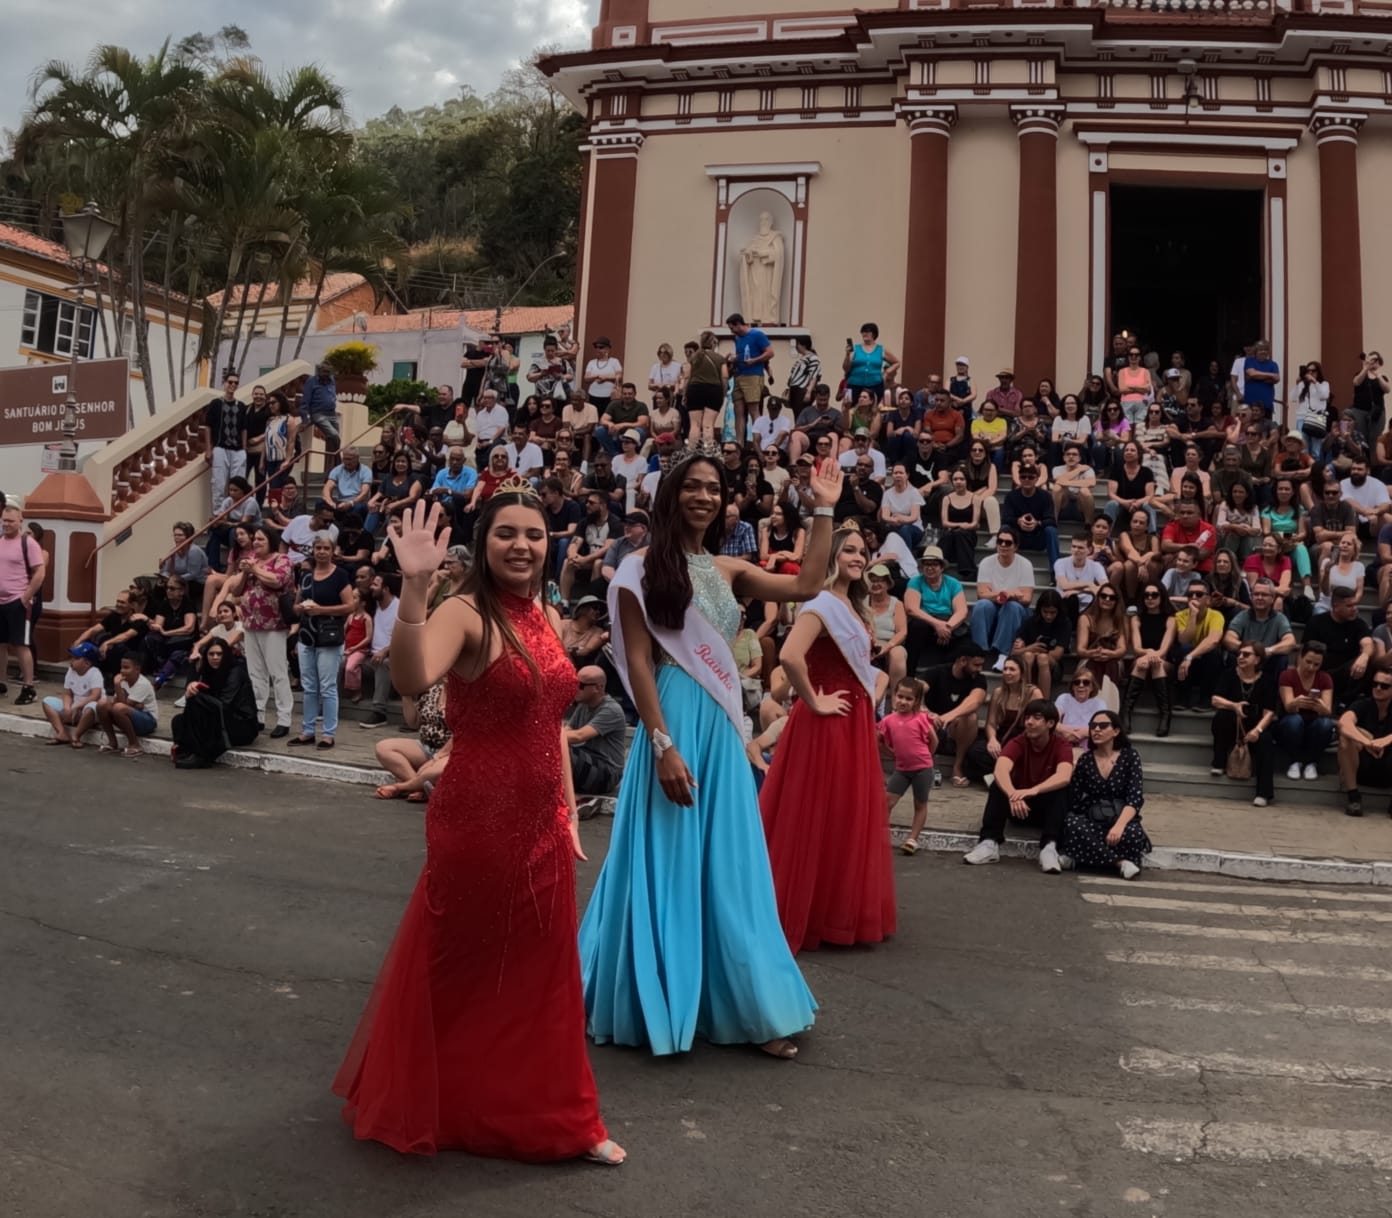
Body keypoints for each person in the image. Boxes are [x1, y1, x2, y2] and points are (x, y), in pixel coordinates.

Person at [333, 487, 622, 1165]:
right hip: (478, 818)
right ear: (484, 542)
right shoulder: (463, 611)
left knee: (541, 973)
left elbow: (549, 725)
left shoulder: (547, 612)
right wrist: (414, 587)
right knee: (464, 964)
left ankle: (559, 1116)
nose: (522, 545)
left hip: (543, 819)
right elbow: (412, 677)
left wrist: (568, 811)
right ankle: (440, 1098)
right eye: (506, 534)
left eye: (534, 534)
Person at [581, 454, 840, 1058]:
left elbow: (806, 586)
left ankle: (748, 1006)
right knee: (670, 858)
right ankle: (661, 998)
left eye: (713, 489)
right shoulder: (640, 567)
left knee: (731, 862)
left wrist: (824, 510)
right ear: (672, 494)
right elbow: (638, 662)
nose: (703, 497)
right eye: (692, 487)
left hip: (721, 725)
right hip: (673, 720)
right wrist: (661, 744)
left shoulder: (729, 568)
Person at [760, 528, 896, 953]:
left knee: (843, 812)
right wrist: (813, 700)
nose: (858, 557)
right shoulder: (820, 604)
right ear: (832, 556)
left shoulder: (852, 607)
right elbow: (789, 656)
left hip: (852, 719)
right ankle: (806, 911)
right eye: (849, 550)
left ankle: (835, 908)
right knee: (817, 812)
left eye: (863, 551)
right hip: (828, 722)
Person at [963, 699, 1075, 872]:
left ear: (1050, 723)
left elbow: (1064, 776)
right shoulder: (1018, 742)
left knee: (1061, 789)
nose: (1029, 722)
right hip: (1017, 807)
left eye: (1036, 718)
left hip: (1046, 810)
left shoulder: (1062, 746)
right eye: (1027, 717)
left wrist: (1033, 790)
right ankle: (989, 843)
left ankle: (1049, 847)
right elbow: (1000, 769)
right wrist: (1012, 794)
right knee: (997, 785)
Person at [1057, 710, 1150, 878]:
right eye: (1093, 726)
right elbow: (1075, 797)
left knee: (1133, 834)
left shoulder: (1130, 756)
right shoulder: (1086, 760)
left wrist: (1119, 826)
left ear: (1116, 731)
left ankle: (1082, 858)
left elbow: (1135, 798)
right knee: (1072, 824)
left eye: (1103, 726)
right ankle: (1119, 863)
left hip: (1120, 814)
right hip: (1093, 815)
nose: (1096, 730)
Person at [225, 525, 293, 738]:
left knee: (277, 672)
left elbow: (278, 581)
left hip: (273, 624)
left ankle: (284, 718)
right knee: (256, 673)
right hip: (250, 623)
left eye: (261, 539)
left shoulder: (282, 560)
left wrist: (254, 570)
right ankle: (258, 715)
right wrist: (245, 573)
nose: (256, 543)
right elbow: (236, 591)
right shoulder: (250, 561)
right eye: (254, 539)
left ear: (271, 541)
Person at [288, 534, 353, 748]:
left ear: (332, 551)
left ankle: (328, 733)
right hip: (307, 634)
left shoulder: (340, 575)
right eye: (318, 548)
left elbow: (349, 606)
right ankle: (307, 730)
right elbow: (296, 603)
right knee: (309, 686)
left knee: (327, 686)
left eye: (326, 548)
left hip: (329, 635)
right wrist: (300, 608)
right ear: (313, 550)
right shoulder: (306, 576)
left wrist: (321, 610)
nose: (322, 552)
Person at [167, 639, 258, 768]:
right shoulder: (208, 670)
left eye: (219, 654)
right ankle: (186, 749)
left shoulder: (235, 672)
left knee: (197, 700)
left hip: (241, 724)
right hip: (220, 716)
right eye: (211, 654)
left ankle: (201, 755)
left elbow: (224, 704)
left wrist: (196, 694)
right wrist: (192, 684)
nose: (215, 657)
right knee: (179, 720)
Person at [1211, 640, 1280, 807]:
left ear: (1257, 659)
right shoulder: (1229, 674)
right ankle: (1219, 762)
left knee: (1266, 740)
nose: (1241, 657)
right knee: (1221, 716)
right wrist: (1234, 706)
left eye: (1246, 654)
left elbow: (1269, 712)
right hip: (1233, 725)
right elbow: (1215, 700)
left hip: (1256, 725)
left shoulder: (1268, 680)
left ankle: (1263, 793)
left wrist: (1257, 730)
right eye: (1239, 654)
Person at [878, 677, 937, 856]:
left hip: (922, 769)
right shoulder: (888, 720)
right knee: (887, 801)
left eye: (909, 698)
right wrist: (892, 753)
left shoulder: (921, 719)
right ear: (894, 696)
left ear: (916, 701)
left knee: (920, 803)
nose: (903, 701)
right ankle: (880, 834)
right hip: (902, 769)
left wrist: (927, 757)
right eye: (900, 696)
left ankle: (913, 839)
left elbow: (934, 740)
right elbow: (878, 740)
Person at [923, 645, 989, 787]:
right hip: (931, 726)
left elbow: (975, 700)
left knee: (971, 717)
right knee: (920, 716)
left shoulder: (979, 679)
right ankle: (925, 767)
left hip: (956, 730)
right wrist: (927, 713)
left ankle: (957, 767)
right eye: (976, 665)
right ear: (963, 660)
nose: (980, 669)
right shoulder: (936, 672)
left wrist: (948, 717)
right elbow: (916, 690)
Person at [0, 502, 45, 705]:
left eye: (10, 521)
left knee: (20, 644)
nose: (6, 524)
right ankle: (1, 682)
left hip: (17, 601)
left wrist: (25, 598)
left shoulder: (28, 543)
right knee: (0, 644)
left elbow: (39, 572)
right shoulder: (0, 542)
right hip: (1, 602)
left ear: (20, 521)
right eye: (4, 521)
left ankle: (29, 687)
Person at [970, 528, 1034, 668]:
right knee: (981, 605)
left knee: (1011, 607)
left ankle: (1004, 655)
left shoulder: (1025, 564)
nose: (1003, 545)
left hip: (1017, 609)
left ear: (1015, 547)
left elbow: (1027, 598)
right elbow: (981, 594)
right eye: (1000, 541)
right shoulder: (986, 562)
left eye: (1008, 542)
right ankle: (978, 652)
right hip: (993, 605)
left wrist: (1007, 597)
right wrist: (1006, 593)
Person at [565, 665, 628, 803]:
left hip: (607, 773)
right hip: (590, 762)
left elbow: (579, 736)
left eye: (580, 685)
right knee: (558, 749)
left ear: (598, 688)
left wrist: (548, 735)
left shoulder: (611, 710)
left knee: (563, 751)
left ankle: (568, 796)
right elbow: (568, 731)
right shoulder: (584, 705)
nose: (575, 688)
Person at [1277, 640, 1336, 782]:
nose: (1311, 667)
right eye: (1308, 662)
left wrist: (1320, 706)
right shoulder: (1287, 675)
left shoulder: (1325, 678)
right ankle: (1295, 760)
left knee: (1326, 724)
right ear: (1300, 657)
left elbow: (1327, 711)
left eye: (1316, 664)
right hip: (1292, 721)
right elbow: (1288, 706)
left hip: (1314, 722)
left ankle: (1311, 762)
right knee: (1294, 721)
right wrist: (1296, 702)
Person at [903, 546, 967, 674]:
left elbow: (962, 611)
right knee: (917, 626)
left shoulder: (953, 583)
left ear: (942, 567)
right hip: (925, 621)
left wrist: (947, 627)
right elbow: (911, 608)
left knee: (966, 639)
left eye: (934, 564)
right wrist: (937, 624)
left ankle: (951, 675)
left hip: (948, 621)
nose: (929, 568)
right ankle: (909, 673)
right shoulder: (915, 582)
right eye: (926, 564)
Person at [1337, 671, 1392, 816]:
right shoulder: (1362, 704)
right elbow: (1343, 722)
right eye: (1375, 684)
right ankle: (1353, 797)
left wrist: (1386, 740)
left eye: (1384, 686)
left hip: (1388, 767)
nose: (1378, 688)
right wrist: (1366, 741)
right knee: (1346, 737)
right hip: (1361, 767)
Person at [1172, 579, 1225, 710]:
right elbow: (1184, 640)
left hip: (1207, 666)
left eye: (1199, 594)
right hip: (1186, 667)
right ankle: (1183, 699)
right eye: (1190, 594)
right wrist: (1193, 616)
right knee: (1185, 648)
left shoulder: (1216, 615)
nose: (1194, 597)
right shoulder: (1180, 615)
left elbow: (1213, 640)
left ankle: (1206, 699)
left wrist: (1190, 657)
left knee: (1213, 652)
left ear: (1208, 599)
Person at [40, 642, 105, 746]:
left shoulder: (95, 673)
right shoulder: (71, 671)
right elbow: (67, 694)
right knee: (47, 701)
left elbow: (95, 696)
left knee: (92, 707)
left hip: (87, 710)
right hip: (74, 709)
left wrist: (77, 706)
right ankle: (61, 732)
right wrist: (67, 708)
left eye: (76, 658)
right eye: (72, 657)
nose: (72, 660)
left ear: (87, 663)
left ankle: (76, 735)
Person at [95, 654, 159, 758]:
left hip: (148, 721)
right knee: (102, 704)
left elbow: (123, 705)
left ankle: (134, 744)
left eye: (126, 668)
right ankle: (112, 743)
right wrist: (131, 704)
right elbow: (117, 702)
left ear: (137, 669)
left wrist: (117, 686)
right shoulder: (123, 681)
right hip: (130, 716)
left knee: (119, 708)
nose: (122, 671)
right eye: (121, 667)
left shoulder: (143, 683)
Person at [202, 373, 248, 514]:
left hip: (238, 450)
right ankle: (218, 514)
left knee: (238, 484)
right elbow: (208, 427)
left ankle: (236, 514)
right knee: (219, 483)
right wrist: (208, 449)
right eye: (230, 382)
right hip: (220, 448)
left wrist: (244, 449)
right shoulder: (216, 404)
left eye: (236, 383)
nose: (233, 385)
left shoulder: (241, 406)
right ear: (224, 383)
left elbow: (244, 429)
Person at [1013, 589, 1070, 700]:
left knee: (1042, 658)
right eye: (1045, 612)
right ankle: (1026, 698)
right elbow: (1014, 652)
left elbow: (1058, 654)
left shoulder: (1064, 623)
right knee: (1028, 656)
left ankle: (1043, 702)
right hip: (1029, 663)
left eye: (1052, 612)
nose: (1048, 616)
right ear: (1040, 609)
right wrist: (1031, 648)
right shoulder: (1030, 622)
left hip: (1053, 667)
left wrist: (1037, 653)